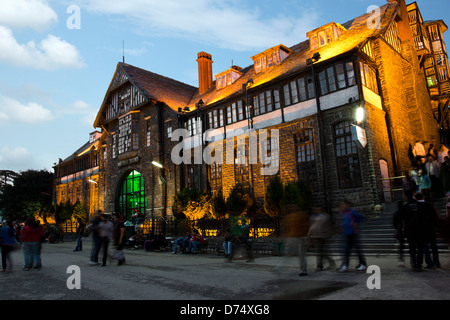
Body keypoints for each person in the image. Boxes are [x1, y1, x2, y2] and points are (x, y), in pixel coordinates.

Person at [275, 208, 310, 276]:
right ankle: (281, 267)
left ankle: (303, 269)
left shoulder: (300, 215)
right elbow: (286, 226)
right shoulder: (291, 217)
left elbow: (306, 225)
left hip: (299, 237)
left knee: (300, 254)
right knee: (292, 253)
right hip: (292, 237)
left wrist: (306, 235)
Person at [400, 191, 427, 271]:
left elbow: (403, 220)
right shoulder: (419, 205)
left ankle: (414, 263)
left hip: (410, 229)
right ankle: (419, 264)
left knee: (412, 247)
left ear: (405, 196)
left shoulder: (405, 206)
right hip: (420, 229)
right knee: (420, 247)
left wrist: (404, 229)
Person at [338, 199, 367, 272]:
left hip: (353, 233)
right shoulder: (342, 213)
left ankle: (362, 264)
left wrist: (355, 222)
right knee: (346, 250)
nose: (342, 206)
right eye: (341, 204)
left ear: (348, 205)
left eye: (344, 204)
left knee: (357, 250)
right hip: (346, 233)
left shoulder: (351, 212)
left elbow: (361, 217)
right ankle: (345, 265)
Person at [414, 193, 441, 269]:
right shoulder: (429, 205)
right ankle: (437, 262)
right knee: (434, 247)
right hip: (431, 229)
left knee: (422, 248)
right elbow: (435, 217)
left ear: (416, 198)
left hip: (422, 230)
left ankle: (421, 264)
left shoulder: (417, 206)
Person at [308, 207, 336, 271]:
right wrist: (310, 235)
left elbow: (329, 226)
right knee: (319, 252)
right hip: (317, 236)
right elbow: (312, 227)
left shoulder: (326, 216)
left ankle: (329, 264)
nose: (317, 210)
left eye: (318, 209)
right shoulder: (313, 217)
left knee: (324, 252)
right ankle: (319, 265)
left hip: (324, 236)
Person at [393, 200, 406, 266]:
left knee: (401, 246)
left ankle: (401, 259)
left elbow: (394, 223)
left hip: (400, 230)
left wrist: (398, 228)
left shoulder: (396, 213)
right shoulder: (405, 212)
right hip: (407, 229)